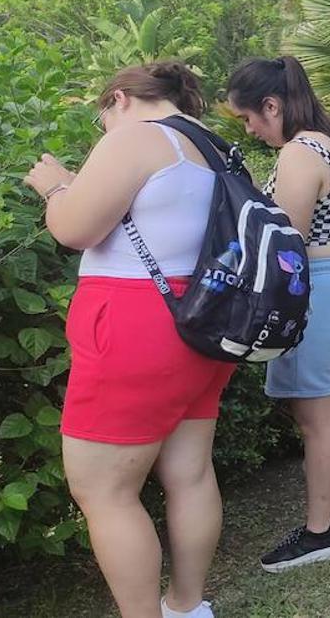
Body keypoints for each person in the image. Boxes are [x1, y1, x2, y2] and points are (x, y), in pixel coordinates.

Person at [23, 62, 233, 618]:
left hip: (137, 323)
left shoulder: (138, 137)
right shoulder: (215, 147)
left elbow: (73, 229)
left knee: (104, 491)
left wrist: (57, 186)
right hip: (204, 319)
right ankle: (187, 607)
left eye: (102, 118)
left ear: (118, 99)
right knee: (190, 475)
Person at [225, 56, 330, 572]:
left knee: (316, 418)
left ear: (272, 105)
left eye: (249, 118)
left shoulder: (298, 153)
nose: (249, 129)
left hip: (317, 292)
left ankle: (321, 531)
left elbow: (287, 246)